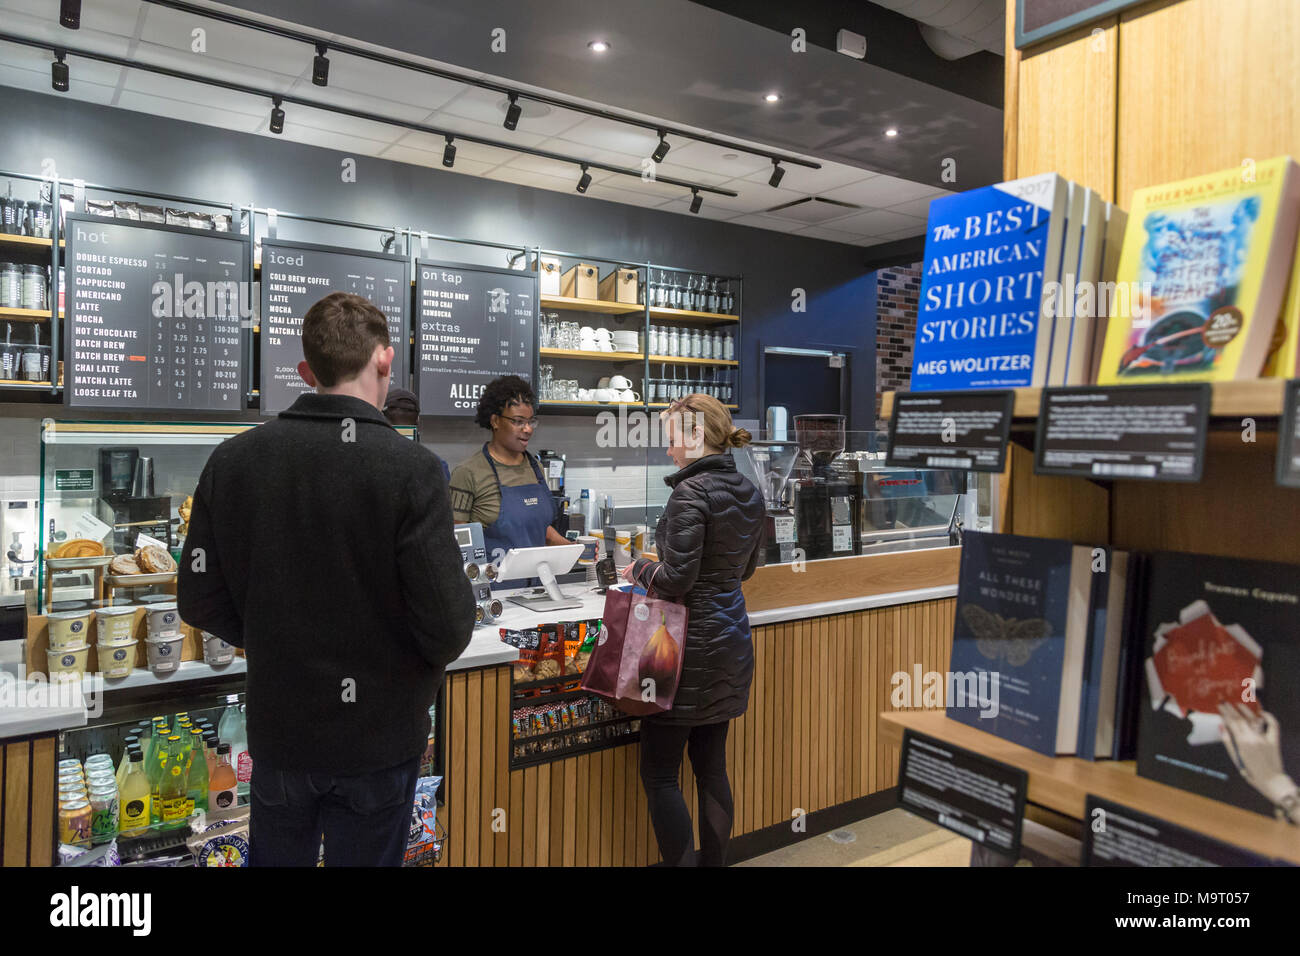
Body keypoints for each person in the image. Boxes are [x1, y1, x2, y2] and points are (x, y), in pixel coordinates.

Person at [178, 291, 476, 867]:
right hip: (379, 742)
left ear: (306, 372)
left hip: (280, 737)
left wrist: (270, 631)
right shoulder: (411, 469)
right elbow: (447, 627)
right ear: (386, 361)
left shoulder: (234, 460)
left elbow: (198, 599)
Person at [622, 393, 764, 866]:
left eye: (672, 439)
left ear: (697, 435)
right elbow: (746, 571)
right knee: (711, 768)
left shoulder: (690, 493)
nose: (668, 450)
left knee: (661, 774)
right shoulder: (749, 489)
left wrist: (638, 568)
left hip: (679, 651)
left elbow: (675, 580)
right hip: (730, 644)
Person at [449, 375, 570, 571]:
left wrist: (574, 548)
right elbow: (456, 544)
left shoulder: (535, 468)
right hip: (493, 593)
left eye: (531, 421)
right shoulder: (468, 473)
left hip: (537, 590)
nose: (528, 429)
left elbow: (539, 530)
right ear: (495, 421)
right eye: (518, 421)